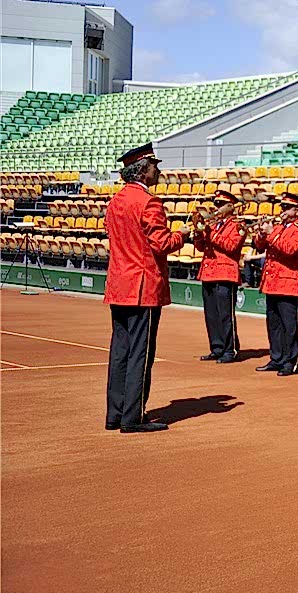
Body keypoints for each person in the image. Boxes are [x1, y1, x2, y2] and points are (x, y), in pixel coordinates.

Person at [103, 143, 189, 434]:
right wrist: (181, 235)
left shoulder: (116, 201)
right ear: (142, 170)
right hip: (143, 286)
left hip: (120, 284)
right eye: (155, 166)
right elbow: (162, 244)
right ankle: (133, 416)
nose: (158, 171)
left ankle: (115, 413)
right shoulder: (149, 202)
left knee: (120, 351)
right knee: (141, 353)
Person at [253, 193, 298, 376]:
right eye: (282, 208)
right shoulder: (278, 227)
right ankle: (276, 358)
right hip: (273, 282)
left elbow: (290, 249)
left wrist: (271, 232)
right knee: (274, 324)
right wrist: (261, 233)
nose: (283, 211)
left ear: (297, 211)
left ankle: (290, 361)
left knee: (289, 325)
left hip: (289, 283)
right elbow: (260, 246)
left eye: (287, 208)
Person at [194, 189, 246, 364]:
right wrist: (198, 233)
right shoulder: (213, 224)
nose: (217, 208)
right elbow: (201, 248)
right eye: (216, 204)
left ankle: (230, 349)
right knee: (211, 315)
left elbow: (231, 246)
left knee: (225, 314)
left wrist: (210, 233)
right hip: (209, 272)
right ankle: (217, 348)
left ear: (231, 206)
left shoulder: (237, 225)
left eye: (221, 205)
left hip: (225, 273)